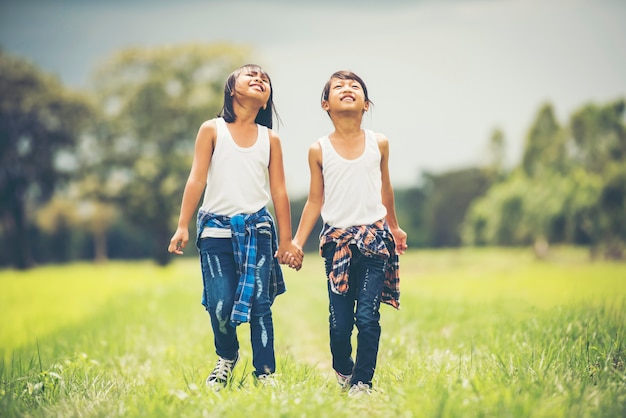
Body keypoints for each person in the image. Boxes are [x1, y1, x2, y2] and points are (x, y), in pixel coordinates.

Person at [168, 64, 303, 390]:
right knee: (220, 305)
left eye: (265, 80)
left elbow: (279, 191)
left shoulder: (271, 139)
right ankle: (227, 355)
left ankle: (266, 373)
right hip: (215, 230)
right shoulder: (212, 129)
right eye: (251, 76)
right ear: (232, 90)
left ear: (268, 98)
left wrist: (286, 240)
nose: (259, 80)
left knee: (260, 305)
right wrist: (183, 225)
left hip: (258, 231)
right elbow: (196, 177)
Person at [291, 70, 408, 397]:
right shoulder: (318, 149)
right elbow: (315, 200)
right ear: (325, 104)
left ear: (366, 104)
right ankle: (344, 368)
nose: (347, 89)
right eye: (339, 87)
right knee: (340, 325)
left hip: (374, 243)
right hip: (337, 245)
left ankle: (362, 381)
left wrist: (394, 227)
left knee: (367, 318)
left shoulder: (378, 143)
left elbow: (386, 190)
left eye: (354, 87)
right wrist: (298, 242)